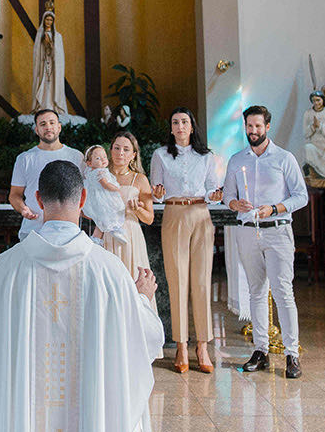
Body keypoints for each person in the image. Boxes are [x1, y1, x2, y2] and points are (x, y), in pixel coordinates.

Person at [0, 160, 164, 432]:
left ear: (38, 199)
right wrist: (141, 299)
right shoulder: (109, 270)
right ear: (83, 199)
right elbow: (148, 337)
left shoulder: (8, 267)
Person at [224, 104, 308, 379]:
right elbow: (227, 196)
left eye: (258, 126)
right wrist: (234, 202)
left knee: (283, 291)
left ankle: (291, 353)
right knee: (256, 291)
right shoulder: (237, 160)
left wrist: (274, 208)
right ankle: (260, 350)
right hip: (248, 230)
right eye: (249, 126)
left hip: (277, 230)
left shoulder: (284, 158)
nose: (253, 131)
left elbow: (301, 196)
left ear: (267, 127)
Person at [149, 107, 223, 373]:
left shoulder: (205, 157)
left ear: (192, 127)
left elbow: (214, 188)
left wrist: (215, 195)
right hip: (174, 212)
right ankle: (181, 345)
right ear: (170, 128)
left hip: (201, 213)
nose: (180, 126)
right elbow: (155, 193)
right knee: (177, 279)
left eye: (185, 122)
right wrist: (157, 193)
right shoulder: (160, 155)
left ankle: (202, 346)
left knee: (202, 281)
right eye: (175, 122)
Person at [100, 131, 156, 313]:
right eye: (117, 148)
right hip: (105, 235)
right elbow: (86, 209)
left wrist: (137, 209)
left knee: (133, 281)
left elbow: (149, 218)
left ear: (133, 155)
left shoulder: (139, 179)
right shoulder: (100, 176)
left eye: (126, 149)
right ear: (111, 150)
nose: (120, 153)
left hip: (131, 237)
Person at [9, 109, 82, 239]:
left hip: (68, 231)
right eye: (43, 124)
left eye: (52, 123)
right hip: (34, 229)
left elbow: (85, 190)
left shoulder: (76, 156)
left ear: (59, 127)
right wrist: (24, 210)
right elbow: (14, 195)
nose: (48, 127)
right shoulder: (25, 158)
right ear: (36, 130)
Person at [80, 145, 134, 244]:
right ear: (89, 163)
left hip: (95, 199)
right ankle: (114, 229)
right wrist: (116, 189)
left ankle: (96, 238)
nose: (103, 159)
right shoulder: (100, 172)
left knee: (101, 220)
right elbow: (105, 184)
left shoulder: (89, 172)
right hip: (104, 198)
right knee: (113, 210)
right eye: (98, 158)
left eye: (104, 156)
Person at [31, 5, 67, 115]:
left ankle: (53, 105)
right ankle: (42, 106)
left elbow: (59, 55)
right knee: (43, 83)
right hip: (43, 65)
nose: (49, 21)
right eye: (47, 19)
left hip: (53, 66)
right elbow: (37, 53)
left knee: (52, 84)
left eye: (51, 20)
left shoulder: (58, 36)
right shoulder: (39, 35)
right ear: (43, 20)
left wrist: (51, 45)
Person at [303, 90, 325, 180]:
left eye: (318, 100)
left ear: (323, 100)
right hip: (315, 145)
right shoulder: (308, 113)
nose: (316, 103)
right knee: (308, 148)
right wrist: (313, 127)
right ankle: (313, 173)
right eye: (314, 100)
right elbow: (305, 134)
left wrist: (320, 126)